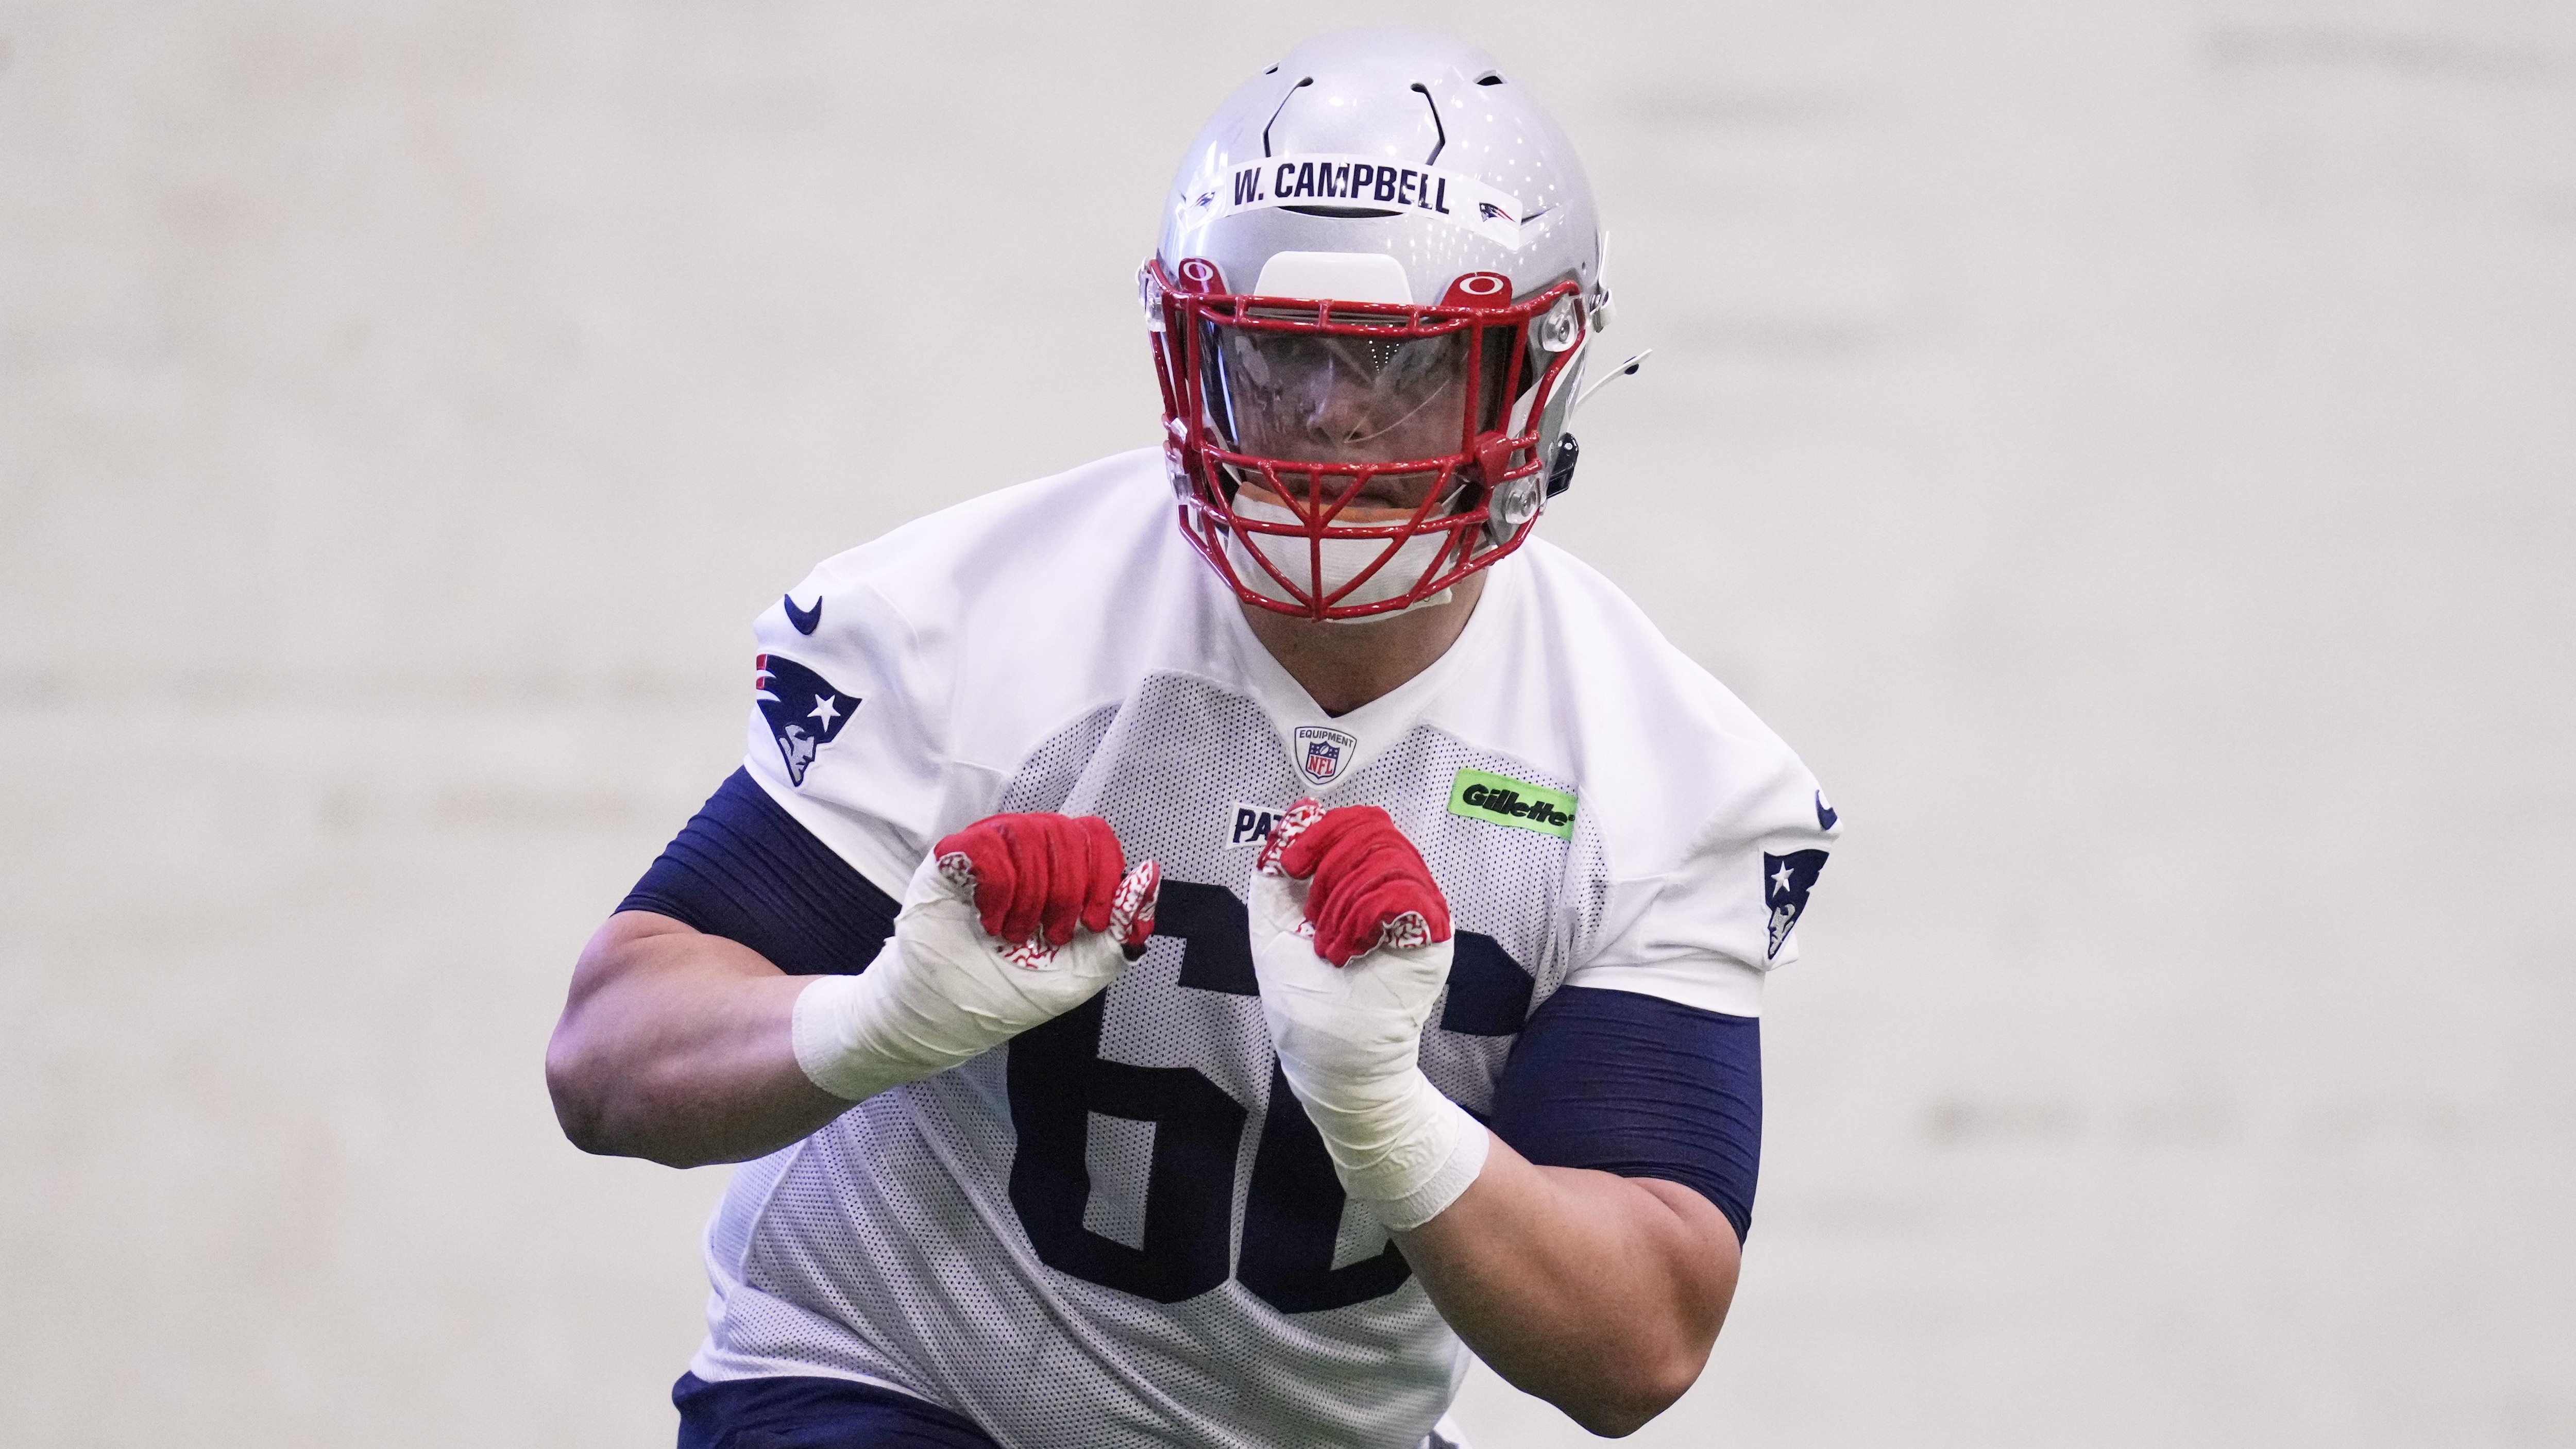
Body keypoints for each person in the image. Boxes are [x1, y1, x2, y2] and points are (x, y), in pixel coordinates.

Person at [546, 27, 1838, 1449]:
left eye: (1396, 366)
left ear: (1528, 381)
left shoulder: (1666, 770)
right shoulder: (977, 623)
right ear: (1191, 351)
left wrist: (1385, 1116)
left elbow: (1640, 1338)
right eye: (1278, 354)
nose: (1328, 416)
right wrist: (874, 1018)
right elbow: (607, 1052)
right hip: (895, 1381)